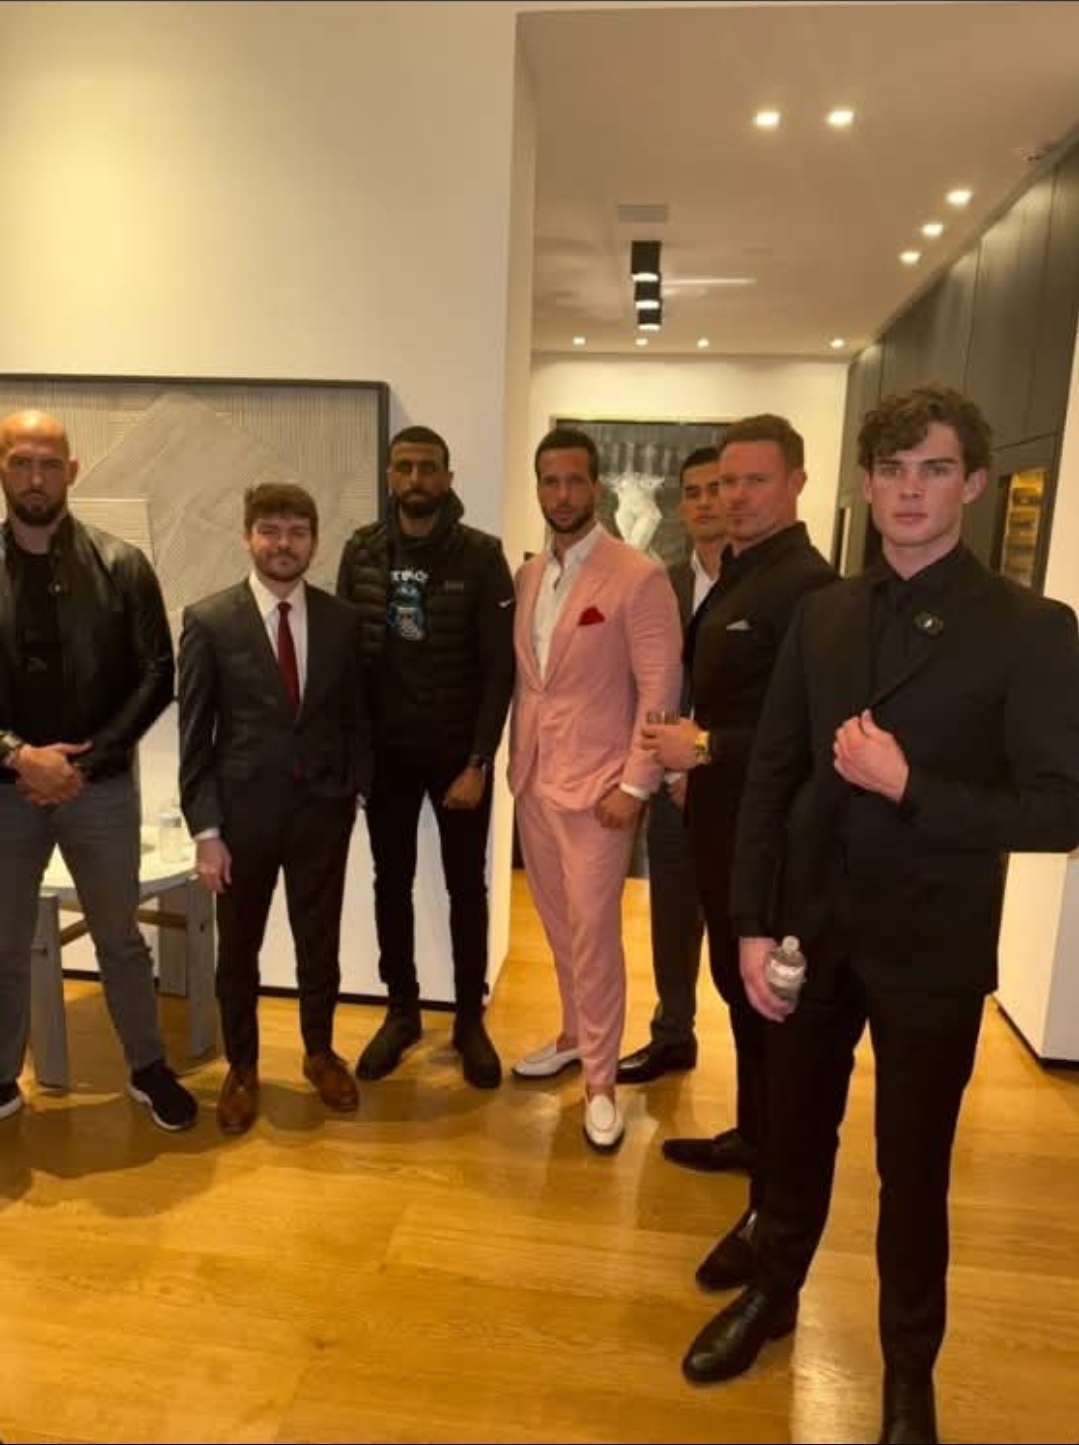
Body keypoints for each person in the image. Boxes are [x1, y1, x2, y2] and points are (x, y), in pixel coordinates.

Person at [681, 385, 1079, 1445]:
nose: (909, 491)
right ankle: (772, 1295)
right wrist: (753, 923)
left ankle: (908, 1374)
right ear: (863, 483)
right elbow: (769, 776)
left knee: (911, 1170)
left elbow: (1060, 809)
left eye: (933, 469)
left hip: (931, 948)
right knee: (792, 1138)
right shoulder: (824, 613)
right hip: (810, 931)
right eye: (892, 470)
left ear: (974, 482)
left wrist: (910, 785)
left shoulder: (1031, 629)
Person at [643, 414, 835, 1288]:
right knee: (737, 999)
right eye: (725, 482)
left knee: (771, 1024)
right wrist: (702, 759)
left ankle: (770, 1209)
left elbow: (814, 733)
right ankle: (751, 1139)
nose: (734, 497)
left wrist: (705, 747)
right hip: (724, 827)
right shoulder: (740, 575)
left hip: (774, 845)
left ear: (796, 483)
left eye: (755, 480)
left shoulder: (806, 588)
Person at [0, 409, 197, 1131]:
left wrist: (89, 759)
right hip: (6, 791)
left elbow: (156, 673)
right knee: (4, 943)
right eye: (21, 462)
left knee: (119, 938)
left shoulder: (122, 564)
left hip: (99, 787)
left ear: (72, 472)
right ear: (1, 469)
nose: (35, 477)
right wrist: (18, 756)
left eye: (49, 463)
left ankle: (148, 1068)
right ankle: (2, 1078)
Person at [178, 482, 372, 1134]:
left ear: (313, 541)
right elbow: (196, 738)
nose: (283, 544)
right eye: (270, 531)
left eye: (296, 532)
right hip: (241, 821)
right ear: (247, 537)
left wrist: (354, 788)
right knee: (239, 950)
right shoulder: (210, 621)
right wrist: (207, 830)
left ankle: (319, 1052)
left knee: (320, 943)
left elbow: (357, 715)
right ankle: (242, 1066)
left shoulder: (342, 620)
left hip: (322, 814)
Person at [509, 425, 682, 1151]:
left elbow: (660, 689)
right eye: (550, 481)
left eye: (575, 480)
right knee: (558, 926)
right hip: (534, 780)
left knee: (594, 935)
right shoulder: (528, 575)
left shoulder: (637, 575)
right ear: (538, 488)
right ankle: (574, 1034)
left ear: (597, 485)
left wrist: (636, 786)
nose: (562, 494)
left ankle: (601, 1082)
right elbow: (534, 682)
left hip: (600, 791)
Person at [336, 425, 515, 1090]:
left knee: (466, 886)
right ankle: (402, 1011)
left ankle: (469, 1018)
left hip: (455, 755)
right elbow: (346, 660)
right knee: (391, 882)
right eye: (405, 467)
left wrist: (479, 761)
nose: (416, 479)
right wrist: (354, 756)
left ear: (447, 476)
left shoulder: (481, 555)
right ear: (390, 474)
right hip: (386, 756)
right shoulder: (360, 550)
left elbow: (500, 671)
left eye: (428, 468)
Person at [616, 445, 725, 1084]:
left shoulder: (770, 587)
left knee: (743, 925)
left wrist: (703, 760)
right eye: (694, 492)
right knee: (673, 918)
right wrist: (675, 773)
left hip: (741, 785)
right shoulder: (665, 584)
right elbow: (649, 683)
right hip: (670, 785)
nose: (707, 503)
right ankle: (673, 1033)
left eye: (718, 488)